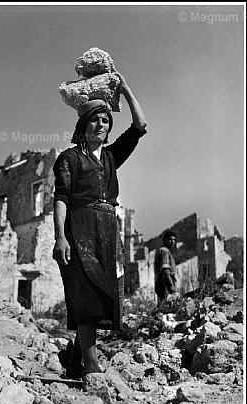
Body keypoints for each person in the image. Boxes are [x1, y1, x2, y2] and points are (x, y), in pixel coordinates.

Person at [52, 73, 147, 378]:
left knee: (105, 293)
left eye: (106, 121)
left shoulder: (110, 157)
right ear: (83, 125)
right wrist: (60, 238)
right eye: (95, 120)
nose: (101, 125)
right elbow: (62, 198)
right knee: (86, 294)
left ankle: (74, 362)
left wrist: (127, 90)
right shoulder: (69, 158)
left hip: (108, 230)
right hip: (79, 230)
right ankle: (91, 365)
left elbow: (139, 127)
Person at [154, 229, 178, 304]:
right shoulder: (164, 251)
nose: (172, 241)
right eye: (170, 239)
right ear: (164, 240)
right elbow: (166, 271)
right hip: (165, 285)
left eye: (174, 239)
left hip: (162, 285)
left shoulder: (163, 250)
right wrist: (172, 289)